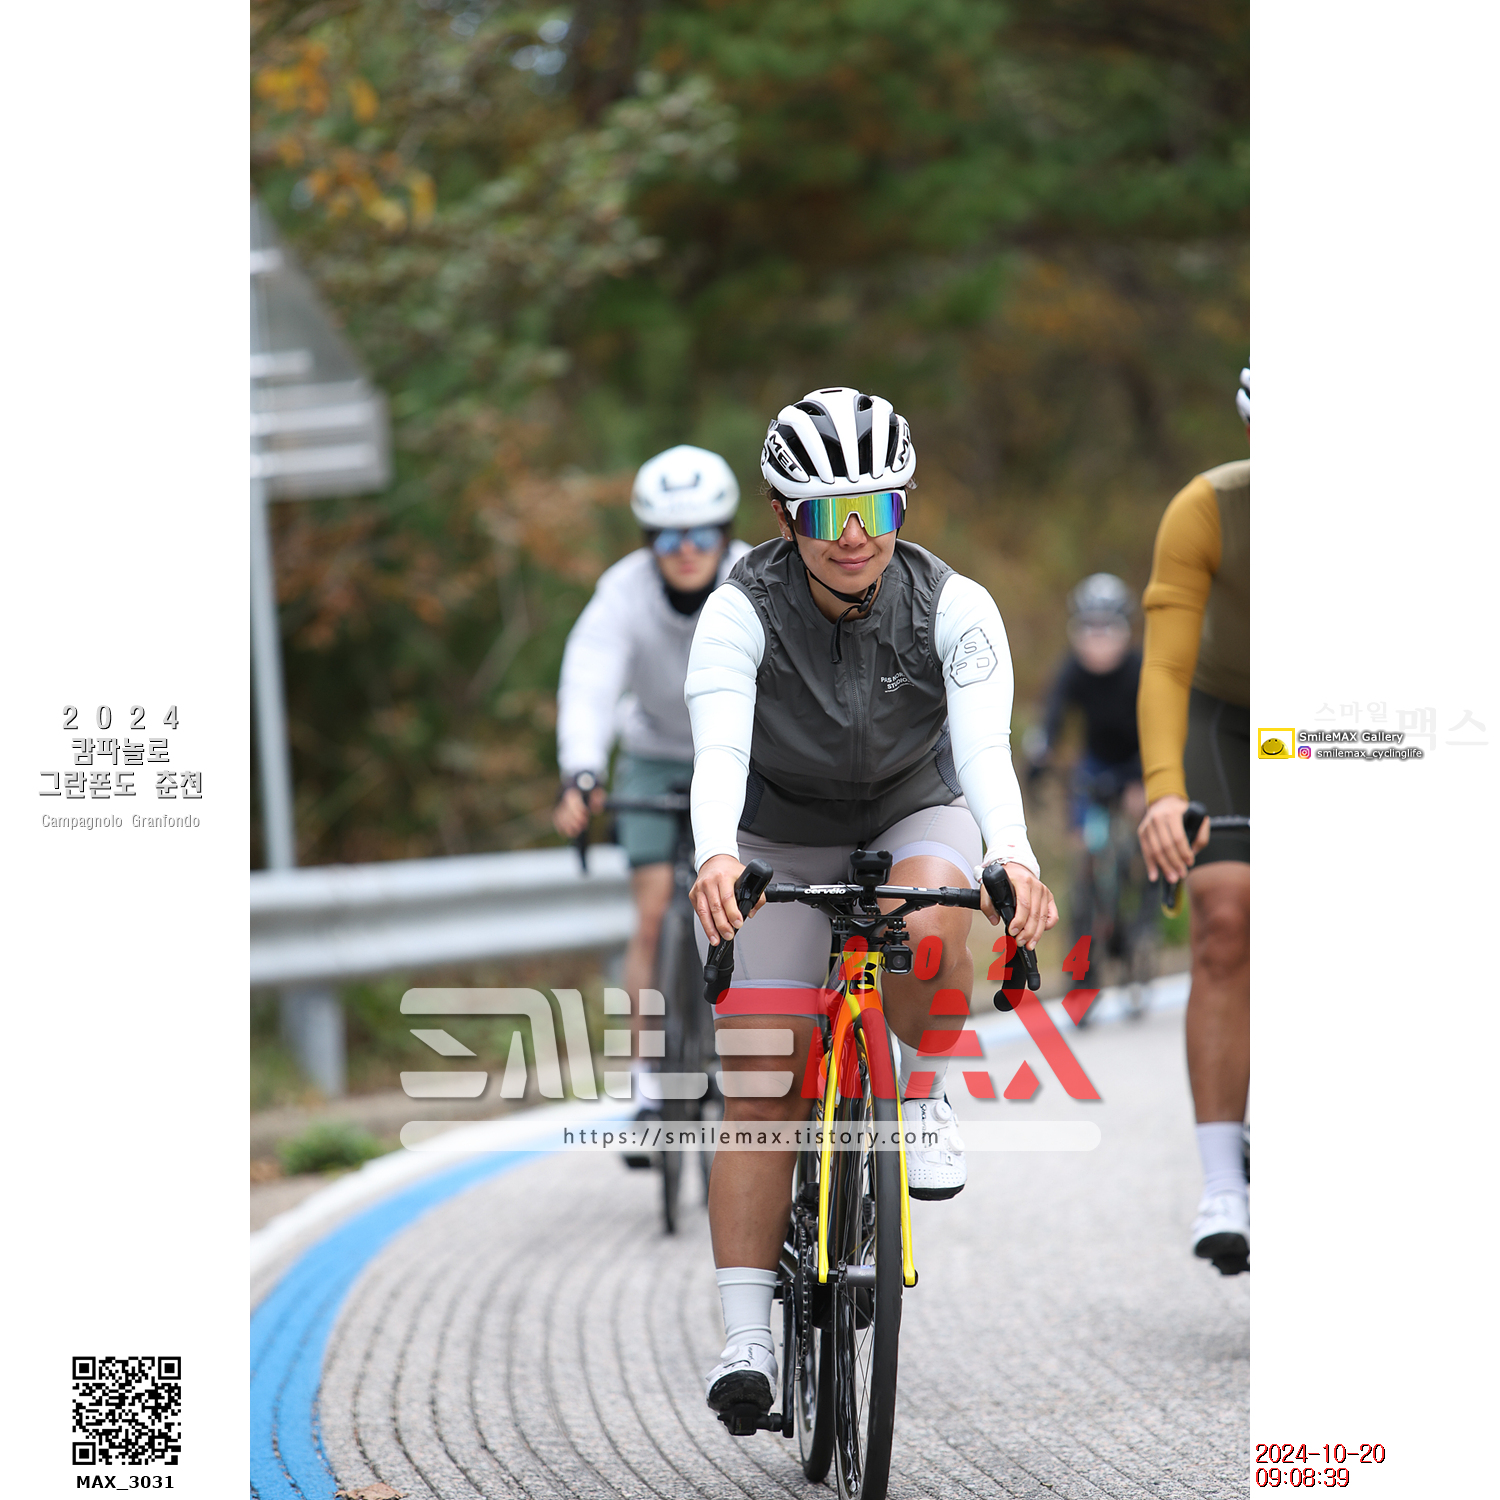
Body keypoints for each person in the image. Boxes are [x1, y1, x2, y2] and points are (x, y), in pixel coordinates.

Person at [684, 387, 1057, 1415]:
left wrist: (1014, 854)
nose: (853, 537)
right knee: (763, 1082)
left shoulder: (955, 606)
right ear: (781, 515)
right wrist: (715, 855)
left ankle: (921, 1092)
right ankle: (747, 1340)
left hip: (912, 812)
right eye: (825, 513)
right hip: (774, 831)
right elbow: (718, 753)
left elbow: (984, 753)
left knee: (934, 913)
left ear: (904, 504)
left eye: (876, 508)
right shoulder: (738, 610)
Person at [553, 445, 750, 1113]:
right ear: (648, 540)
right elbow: (589, 682)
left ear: (725, 533)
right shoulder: (622, 592)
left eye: (702, 534)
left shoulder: (756, 578)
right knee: (650, 916)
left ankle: (740, 1047)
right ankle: (643, 1077)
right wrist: (581, 771)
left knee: (742, 909)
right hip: (654, 752)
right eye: (668, 536)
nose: (686, 549)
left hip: (740, 749)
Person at [1135, 367, 1251, 1274]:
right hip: (1229, 720)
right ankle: (1223, 1183)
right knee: (1225, 920)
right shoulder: (1207, 508)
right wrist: (1166, 791)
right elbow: (1168, 667)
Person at [1028, 574, 1144, 953]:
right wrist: (1040, 755)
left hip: (1137, 760)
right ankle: (1086, 933)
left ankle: (1140, 910)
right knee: (1084, 849)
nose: (1098, 639)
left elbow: (1158, 730)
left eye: (1107, 628)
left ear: (1125, 629)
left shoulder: (1140, 669)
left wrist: (1139, 779)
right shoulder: (1074, 669)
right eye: (1089, 628)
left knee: (1141, 820)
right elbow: (1053, 715)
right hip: (1096, 762)